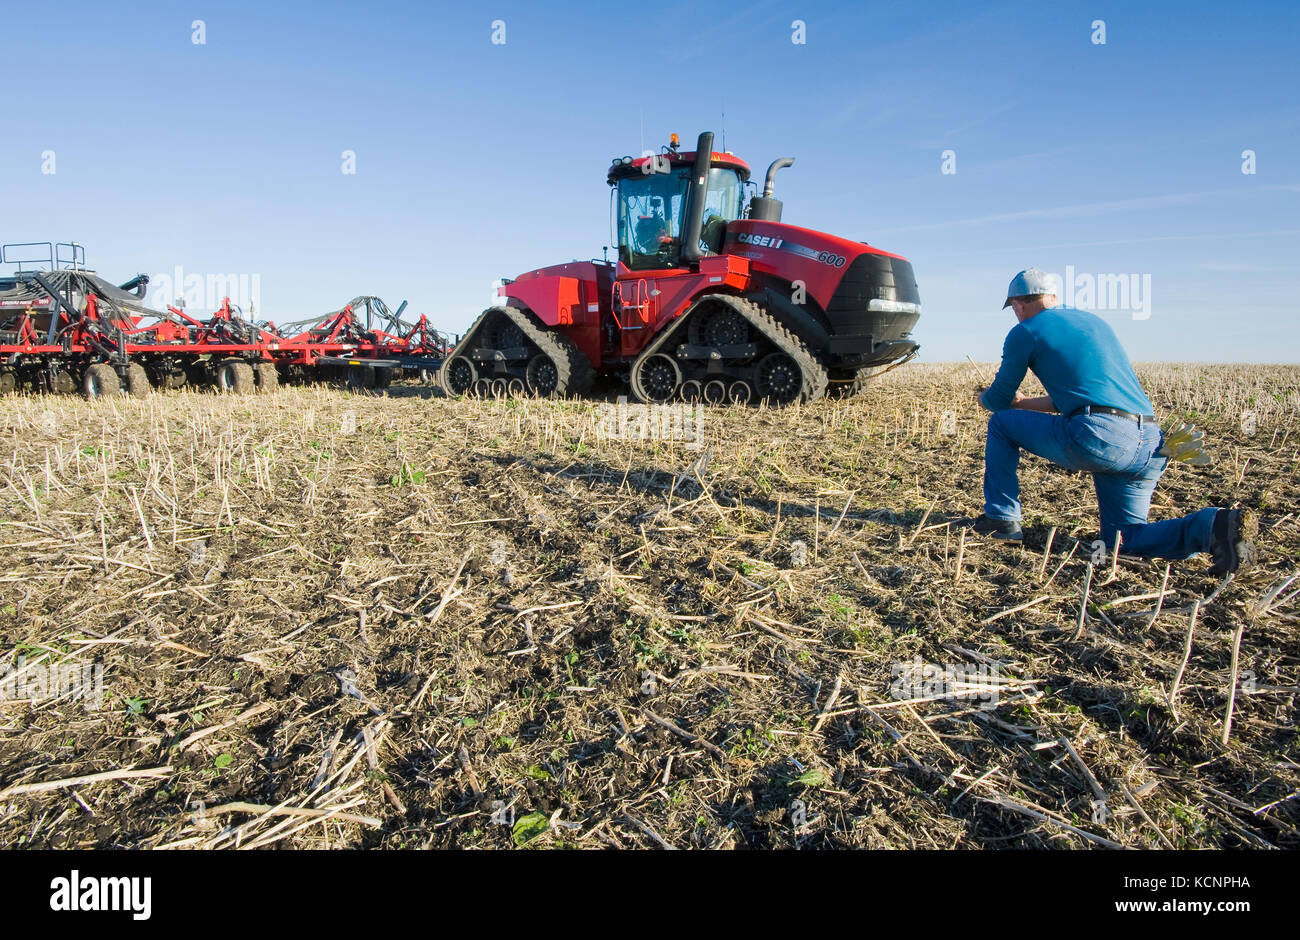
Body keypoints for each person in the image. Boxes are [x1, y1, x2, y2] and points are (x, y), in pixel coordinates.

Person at [972, 268, 1256, 575]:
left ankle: (1001, 519)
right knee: (1122, 541)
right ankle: (1214, 526)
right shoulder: (1094, 323)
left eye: (1014, 308)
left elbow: (999, 400)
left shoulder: (1026, 331)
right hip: (1150, 442)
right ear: (1053, 296)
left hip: (1101, 437)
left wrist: (985, 398)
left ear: (1017, 304)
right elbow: (1081, 397)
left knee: (1001, 423)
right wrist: (1025, 404)